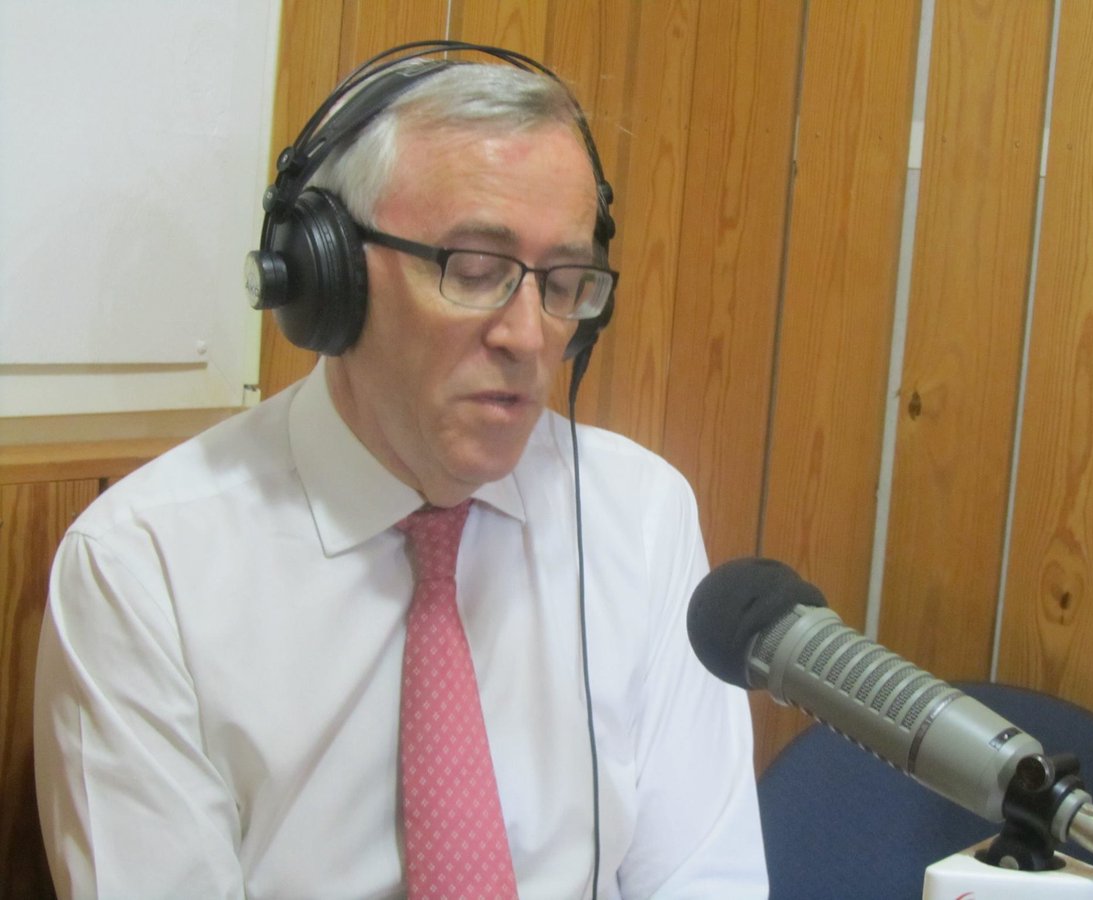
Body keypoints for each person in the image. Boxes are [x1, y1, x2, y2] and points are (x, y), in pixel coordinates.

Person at [34, 44, 768, 899]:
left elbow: (704, 878)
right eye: (475, 270)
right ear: (331, 276)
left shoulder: (639, 514)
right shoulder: (145, 567)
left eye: (565, 283)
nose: (528, 336)